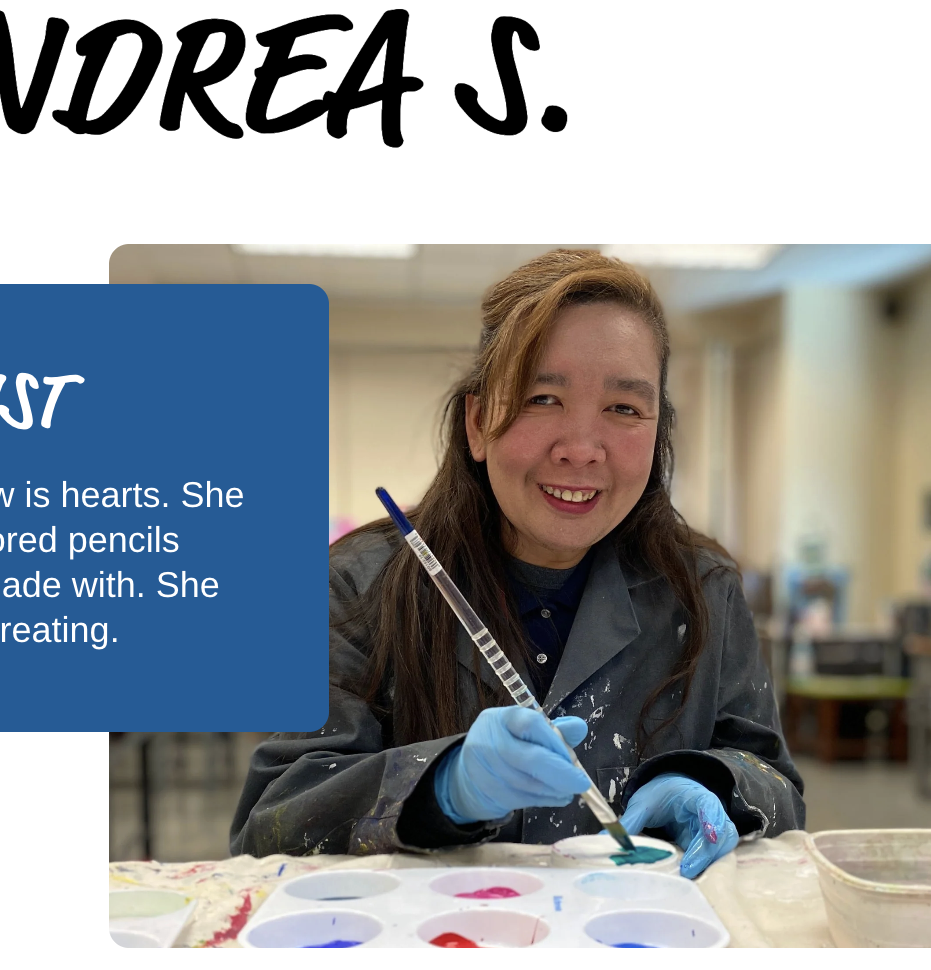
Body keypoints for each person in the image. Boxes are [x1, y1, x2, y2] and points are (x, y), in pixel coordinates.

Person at [229, 250, 803, 879]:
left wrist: (713, 787)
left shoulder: (702, 591)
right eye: (542, 397)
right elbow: (269, 824)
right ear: (478, 423)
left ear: (657, 431)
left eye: (623, 408)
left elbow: (776, 783)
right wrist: (442, 786)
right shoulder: (357, 584)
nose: (581, 450)